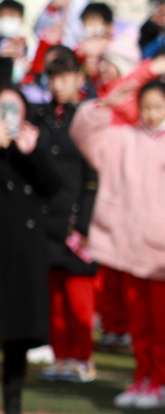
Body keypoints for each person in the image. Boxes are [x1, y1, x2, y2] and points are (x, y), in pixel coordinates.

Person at [71, 79, 165, 411]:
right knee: (139, 322)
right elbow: (84, 137)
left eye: (157, 107)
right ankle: (141, 377)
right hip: (128, 245)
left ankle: (160, 381)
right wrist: (103, 105)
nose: (150, 114)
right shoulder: (123, 139)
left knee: (162, 323)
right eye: (145, 106)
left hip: (163, 249)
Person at [33, 51, 101, 385]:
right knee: (53, 296)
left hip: (76, 219)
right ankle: (60, 356)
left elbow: (94, 177)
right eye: (52, 78)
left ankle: (82, 357)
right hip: (45, 216)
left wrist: (86, 224)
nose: (58, 85)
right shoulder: (42, 116)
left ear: (79, 77)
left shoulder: (90, 116)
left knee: (78, 296)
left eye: (64, 77)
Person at [0, 88, 60, 414]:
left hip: (23, 249)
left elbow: (53, 186)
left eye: (13, 106)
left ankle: (13, 405)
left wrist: (32, 153)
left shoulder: (34, 140)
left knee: (17, 332)